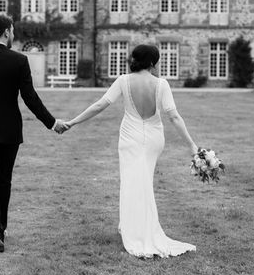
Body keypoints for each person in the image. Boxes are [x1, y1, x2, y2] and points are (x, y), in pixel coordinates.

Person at [64, 44, 198, 258]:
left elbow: (100, 105)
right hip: (154, 138)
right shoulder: (161, 84)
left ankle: (134, 228)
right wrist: (191, 145)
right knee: (143, 182)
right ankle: (134, 225)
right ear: (153, 62)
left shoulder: (123, 81)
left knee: (132, 182)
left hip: (131, 138)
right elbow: (173, 116)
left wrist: (72, 122)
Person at [0, 14, 68, 253]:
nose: (14, 34)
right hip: (10, 130)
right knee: (4, 180)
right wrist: (52, 123)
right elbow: (30, 98)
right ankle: (2, 228)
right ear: (7, 32)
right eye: (13, 30)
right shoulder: (19, 60)